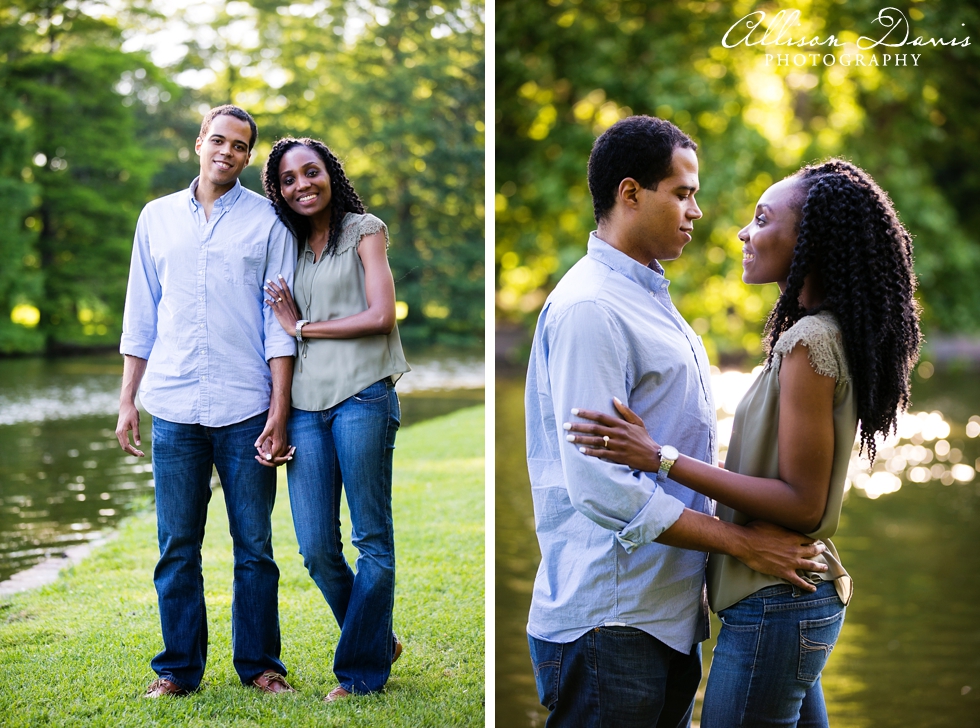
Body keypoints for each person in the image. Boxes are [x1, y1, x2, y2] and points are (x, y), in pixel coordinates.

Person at [567, 158, 920, 726]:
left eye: (762, 219)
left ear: (810, 240)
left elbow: (803, 504)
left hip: (777, 600)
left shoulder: (809, 343)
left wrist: (659, 458)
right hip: (786, 596)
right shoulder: (818, 335)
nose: (742, 232)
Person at [524, 115, 833, 728]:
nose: (697, 211)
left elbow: (670, 454)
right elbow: (601, 487)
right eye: (683, 193)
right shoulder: (591, 308)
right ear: (630, 193)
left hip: (665, 616)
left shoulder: (649, 301)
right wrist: (743, 544)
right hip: (611, 618)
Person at [115, 105, 298, 698]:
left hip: (246, 407)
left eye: (240, 145)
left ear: (248, 156)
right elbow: (140, 313)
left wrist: (278, 411)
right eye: (218, 139)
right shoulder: (156, 217)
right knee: (176, 547)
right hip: (172, 406)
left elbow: (278, 327)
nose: (227, 151)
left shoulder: (268, 221)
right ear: (200, 143)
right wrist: (127, 399)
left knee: (255, 548)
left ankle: (261, 667)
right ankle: (176, 670)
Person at [260, 137, 410, 703]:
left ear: (331, 174)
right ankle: (377, 642)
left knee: (371, 538)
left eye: (311, 172)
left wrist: (301, 327)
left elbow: (381, 315)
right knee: (317, 548)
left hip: (362, 396)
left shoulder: (365, 231)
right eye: (289, 179)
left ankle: (360, 674)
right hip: (305, 407)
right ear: (279, 190)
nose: (302, 184)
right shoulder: (288, 245)